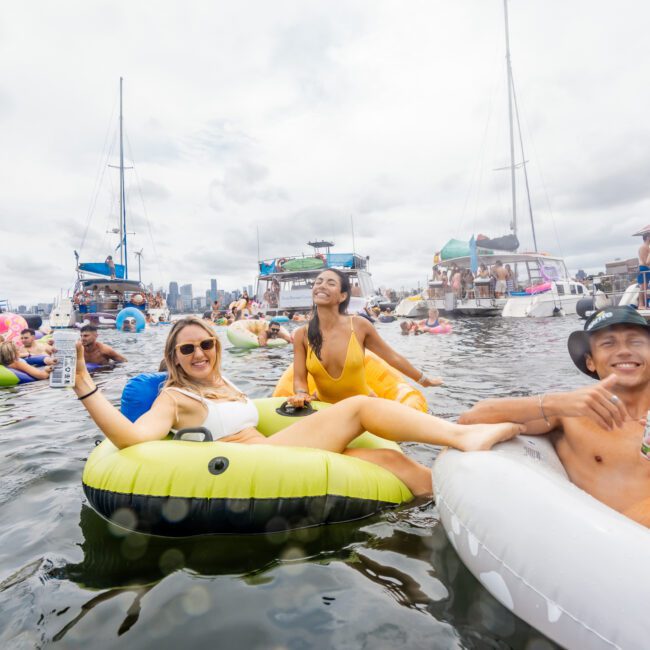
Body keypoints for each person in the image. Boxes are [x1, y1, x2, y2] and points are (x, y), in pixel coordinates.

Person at [65, 316, 523, 496]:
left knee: (384, 459)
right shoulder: (174, 397)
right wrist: (87, 389)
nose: (199, 353)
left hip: (276, 444)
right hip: (258, 460)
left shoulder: (225, 385)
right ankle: (463, 434)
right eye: (187, 350)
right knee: (359, 407)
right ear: (173, 358)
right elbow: (130, 437)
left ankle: (457, 501)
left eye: (205, 343)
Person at [459, 306, 650, 527]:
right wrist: (554, 403)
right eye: (608, 343)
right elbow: (471, 418)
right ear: (590, 361)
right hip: (609, 548)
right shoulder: (570, 415)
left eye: (635, 342)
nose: (624, 351)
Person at [290, 269, 443, 407]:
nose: (322, 286)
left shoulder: (359, 326)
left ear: (342, 296)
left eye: (330, 283)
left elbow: (392, 357)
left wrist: (424, 380)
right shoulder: (302, 334)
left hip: (364, 408)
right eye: (318, 282)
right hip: (324, 406)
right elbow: (299, 377)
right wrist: (301, 392)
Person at [638, 233, 650, 308]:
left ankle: (643, 304)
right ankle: (641, 304)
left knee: (644, 287)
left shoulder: (644, 247)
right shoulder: (645, 247)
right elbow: (646, 261)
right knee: (643, 287)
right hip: (644, 268)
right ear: (648, 237)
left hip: (644, 267)